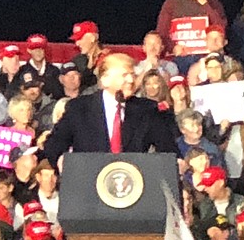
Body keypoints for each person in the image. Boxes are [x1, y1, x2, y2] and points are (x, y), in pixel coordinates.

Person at [44, 52, 177, 161]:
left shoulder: (147, 110)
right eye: (124, 75)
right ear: (105, 80)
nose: (131, 80)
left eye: (132, 75)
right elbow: (54, 145)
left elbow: (169, 151)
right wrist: (61, 160)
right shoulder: (79, 108)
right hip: (89, 185)